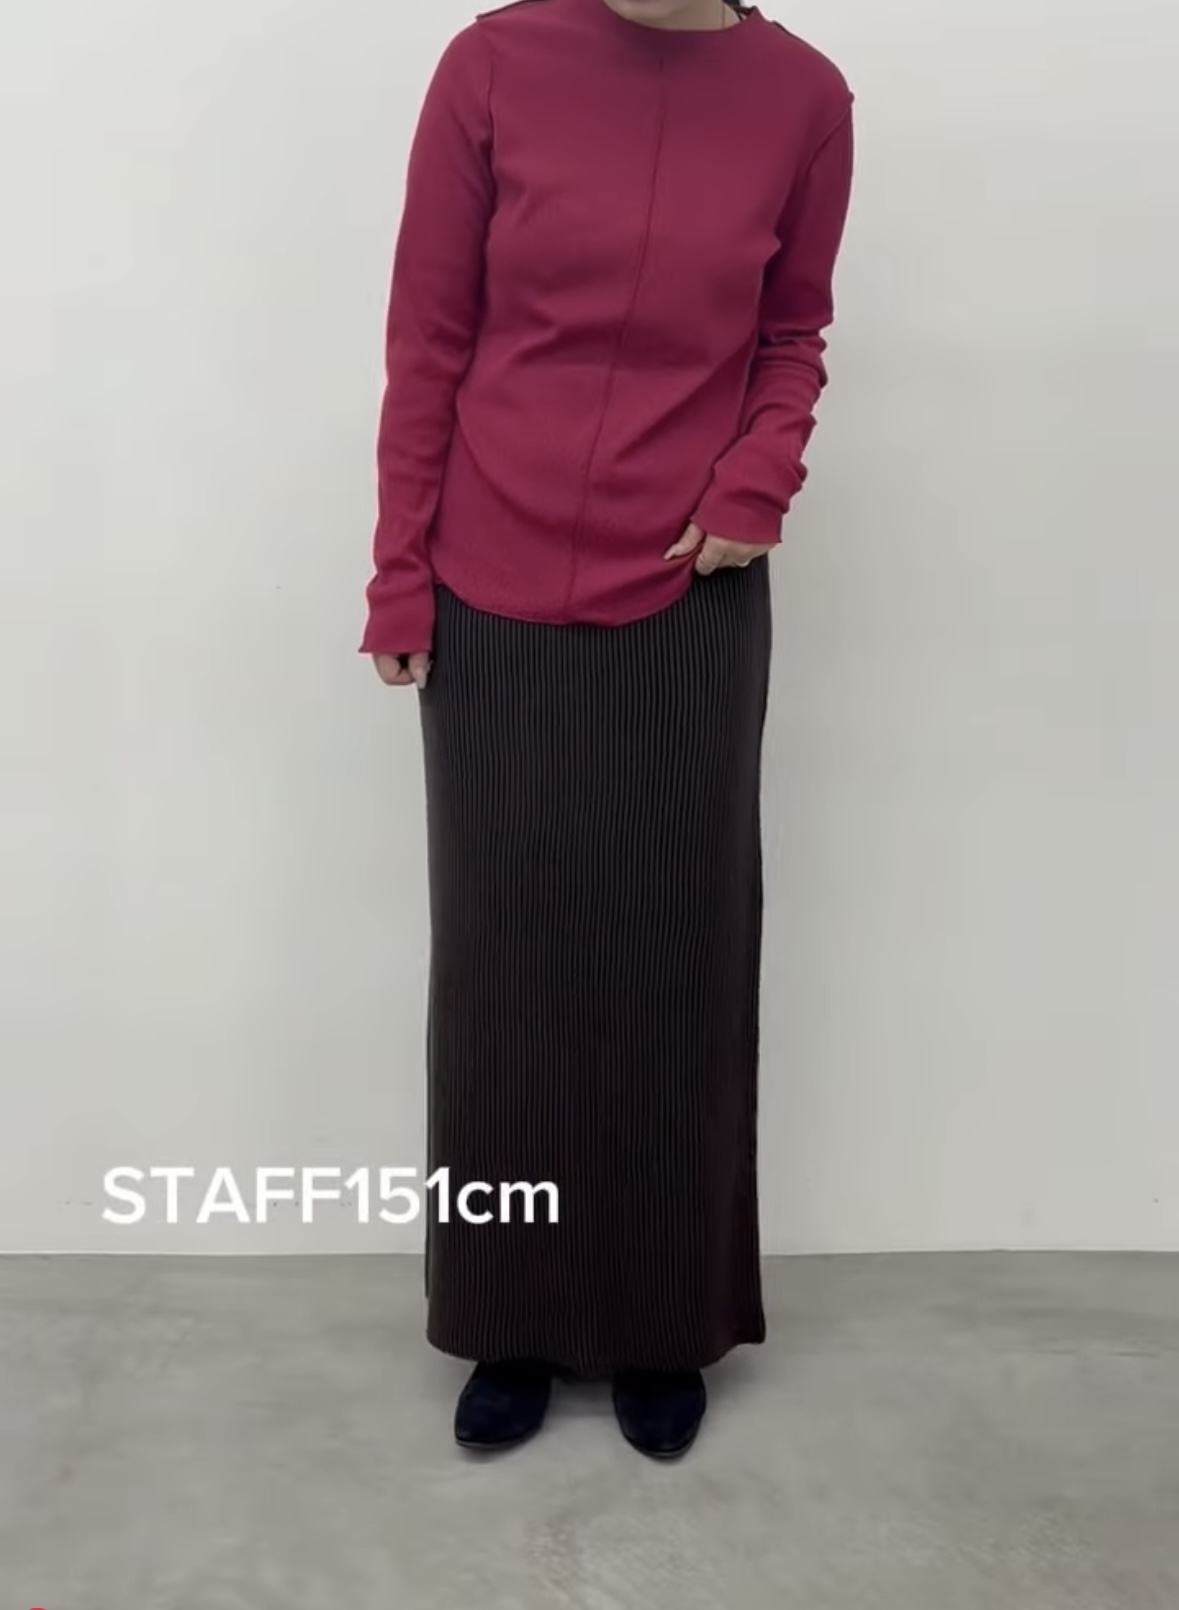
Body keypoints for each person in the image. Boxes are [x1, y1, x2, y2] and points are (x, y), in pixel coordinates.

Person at [360, 0, 854, 1459]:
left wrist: (759, 480)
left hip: (692, 585)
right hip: (487, 577)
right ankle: (508, 1318)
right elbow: (429, 337)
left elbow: (793, 333)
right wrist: (398, 570)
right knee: (506, 972)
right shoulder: (494, 64)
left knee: (672, 961)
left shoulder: (803, 95)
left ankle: (658, 1321)